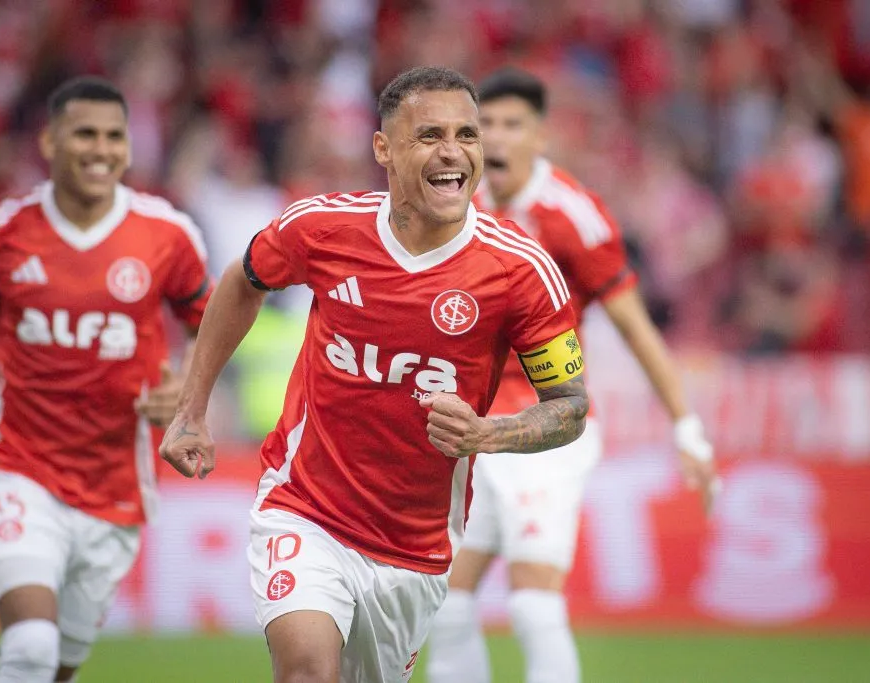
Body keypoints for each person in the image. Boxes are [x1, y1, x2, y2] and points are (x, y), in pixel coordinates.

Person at [159, 66, 590, 683]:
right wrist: (192, 408)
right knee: (307, 671)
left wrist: (486, 435)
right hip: (305, 507)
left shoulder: (520, 270)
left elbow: (570, 406)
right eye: (430, 135)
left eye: (467, 135)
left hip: (415, 547)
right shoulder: (323, 228)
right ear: (384, 149)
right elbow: (242, 281)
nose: (453, 153)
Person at [425, 67, 719, 683]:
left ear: (541, 137)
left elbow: (636, 328)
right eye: (487, 128)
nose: (498, 140)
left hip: (543, 432)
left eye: (513, 126)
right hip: (471, 430)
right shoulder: (457, 204)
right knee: (446, 607)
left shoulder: (574, 218)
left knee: (533, 604)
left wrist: (686, 427)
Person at [0, 76, 213, 683]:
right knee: (29, 649)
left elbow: (213, 320)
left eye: (113, 136)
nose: (100, 150)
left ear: (129, 146)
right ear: (49, 141)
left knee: (54, 670)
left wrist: (187, 387)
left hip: (114, 487)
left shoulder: (167, 235)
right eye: (84, 134)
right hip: (16, 469)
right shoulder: (0, 232)